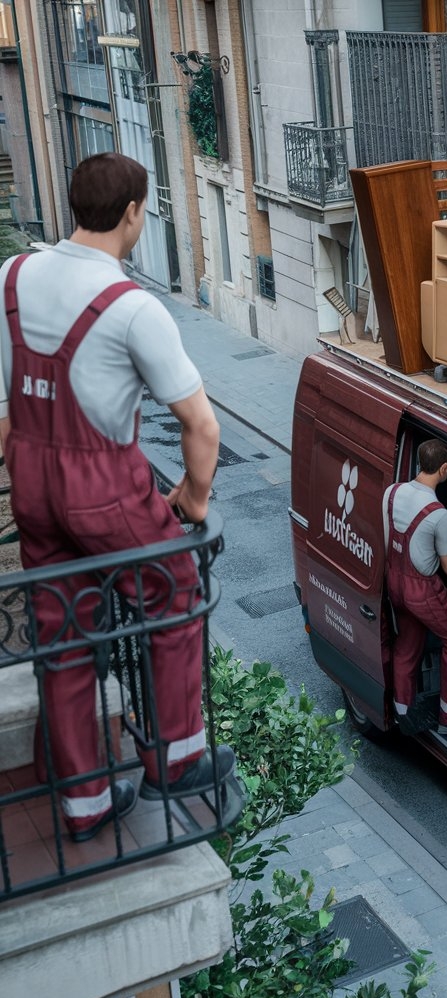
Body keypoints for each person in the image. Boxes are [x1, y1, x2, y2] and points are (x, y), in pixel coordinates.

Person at [0, 152, 234, 843]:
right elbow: (202, 425)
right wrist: (192, 498)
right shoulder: (133, 308)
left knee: (62, 629)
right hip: (102, 485)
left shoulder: (11, 276)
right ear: (133, 213)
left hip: (32, 483)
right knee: (175, 588)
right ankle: (174, 757)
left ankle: (83, 803)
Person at [383, 439, 447, 734]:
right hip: (422, 590)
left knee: (407, 643)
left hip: (394, 582)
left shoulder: (392, 492)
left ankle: (403, 709)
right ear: (444, 468)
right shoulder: (440, 516)